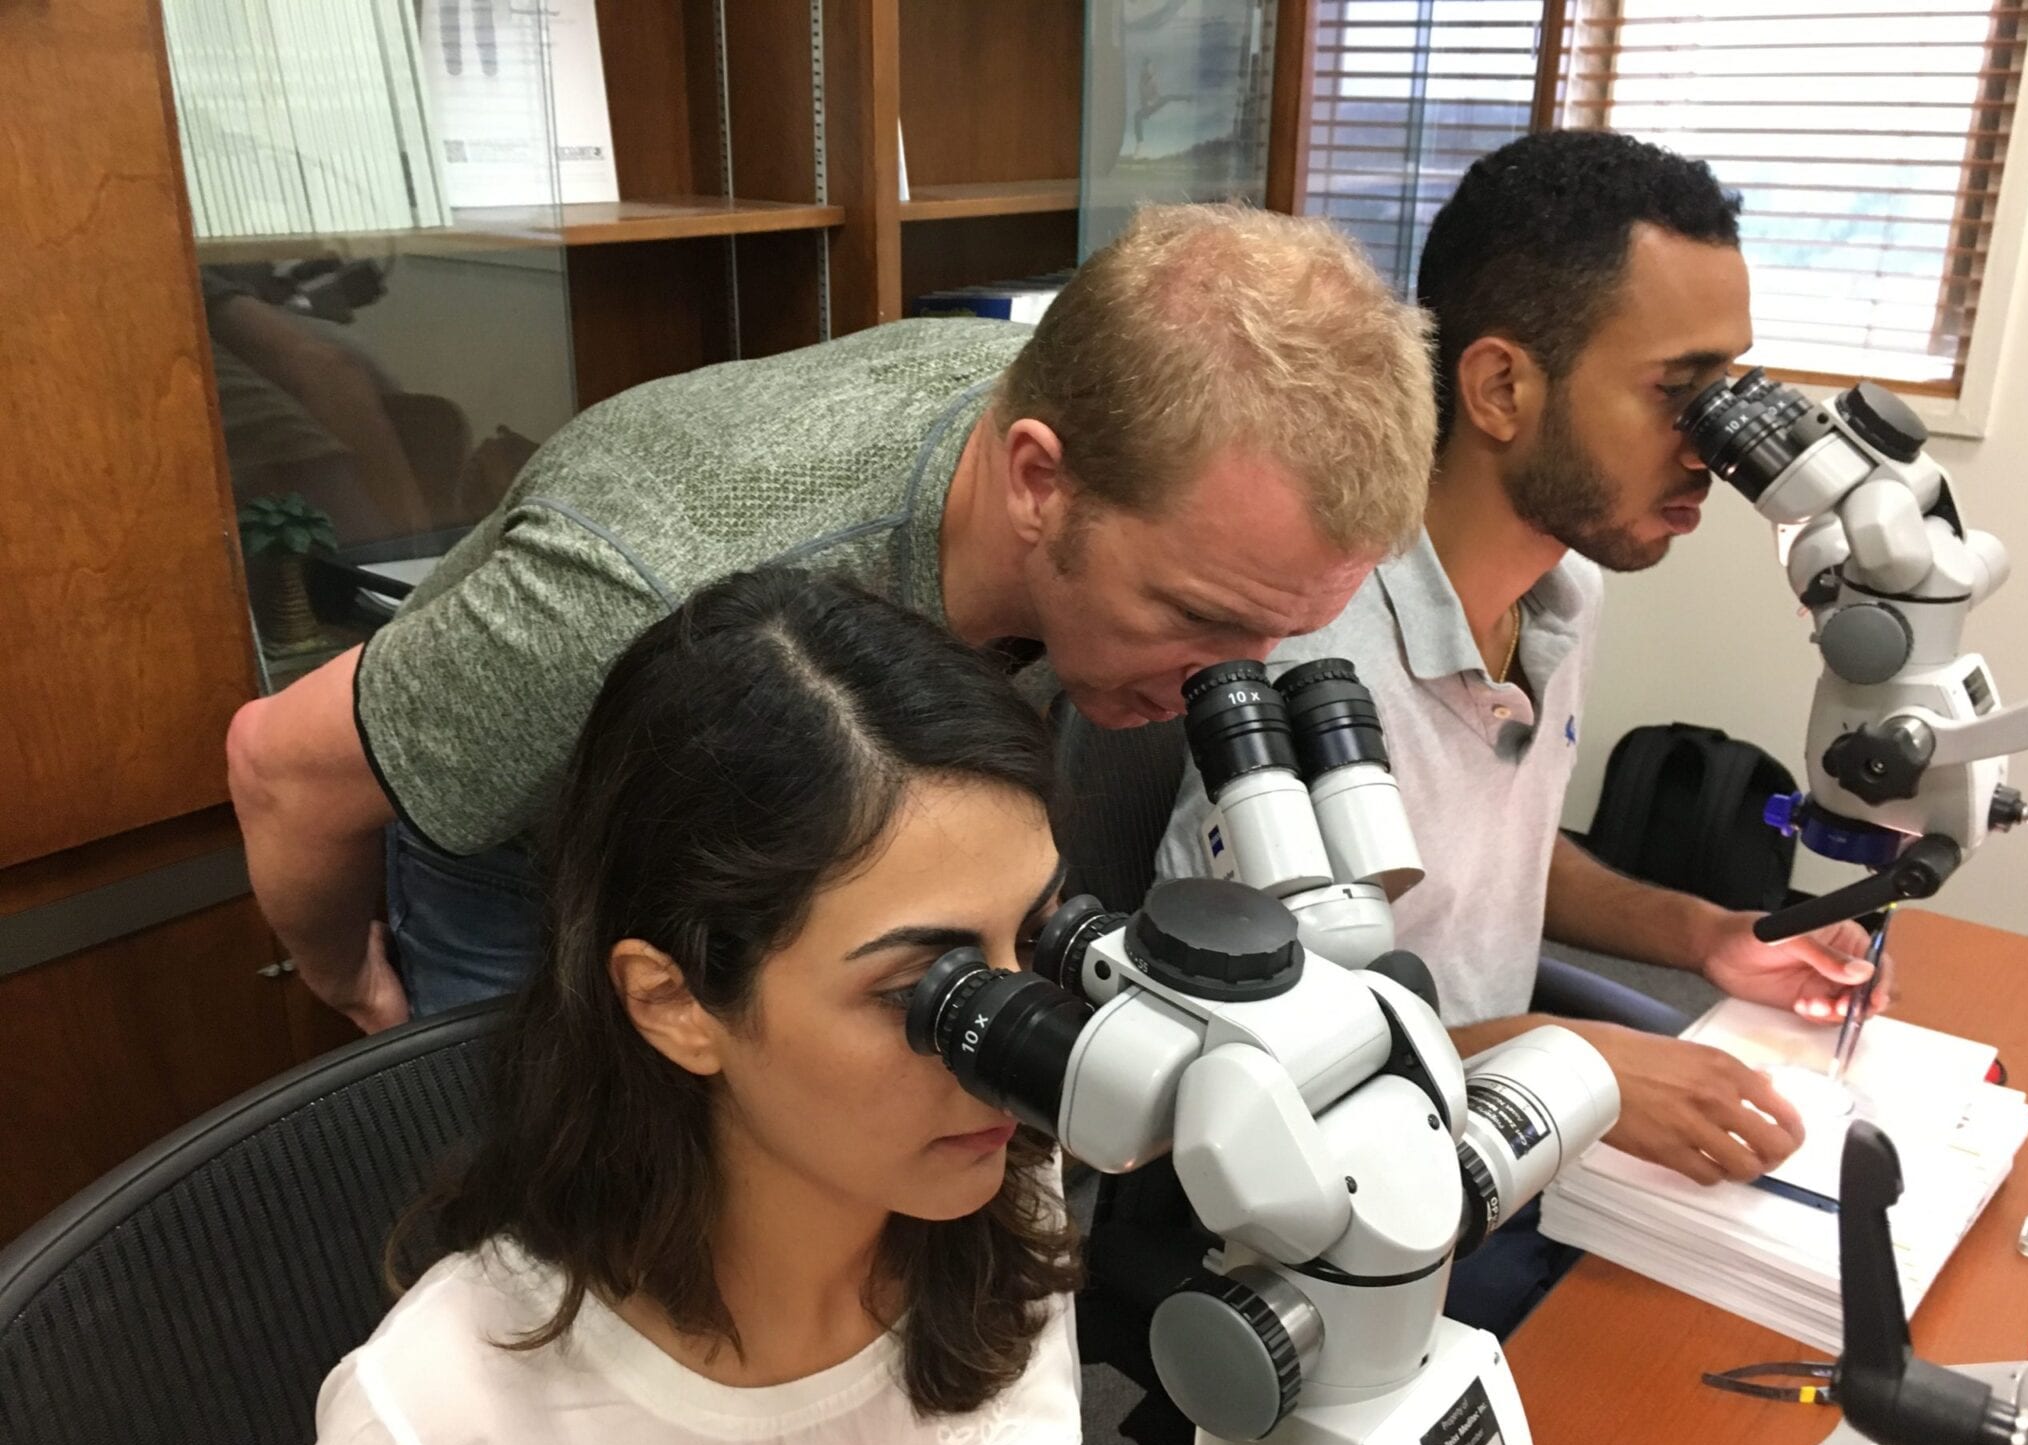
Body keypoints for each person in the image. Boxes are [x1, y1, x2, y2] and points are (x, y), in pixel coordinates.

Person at [227, 204, 1437, 1034]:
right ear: (1035, 480)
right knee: (550, 1228)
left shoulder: (1111, 443)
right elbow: (281, 767)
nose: (1218, 687)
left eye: (1270, 642)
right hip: (529, 854)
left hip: (786, 837)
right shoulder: (650, 593)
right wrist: (351, 983)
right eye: (1196, 619)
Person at [1157, 133, 1894, 1325]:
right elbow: (1239, 1053)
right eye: (1679, 393)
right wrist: (1571, 1053)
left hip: (1509, 1110)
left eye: (1733, 395)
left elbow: (1485, 856)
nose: (1717, 450)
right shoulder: (1312, 656)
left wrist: (1701, 930)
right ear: (1501, 388)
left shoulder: (1562, 597)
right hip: (1345, 1202)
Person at [290, 569, 1104, 1445]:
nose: (1015, 1050)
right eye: (928, 995)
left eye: (1041, 937)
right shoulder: (433, 1441)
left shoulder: (1006, 1181)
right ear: (674, 1001)